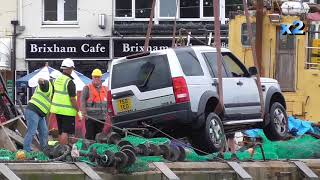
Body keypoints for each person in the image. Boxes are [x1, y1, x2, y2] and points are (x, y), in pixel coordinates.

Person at [50, 58, 79, 145]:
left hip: (57, 110)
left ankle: (61, 150)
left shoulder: (57, 80)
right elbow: (72, 99)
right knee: (66, 132)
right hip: (67, 111)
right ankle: (64, 150)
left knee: (61, 131)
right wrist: (78, 110)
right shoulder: (69, 82)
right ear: (70, 69)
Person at [23, 78, 53, 152]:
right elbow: (41, 81)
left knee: (44, 131)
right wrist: (41, 81)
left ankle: (44, 150)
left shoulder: (52, 91)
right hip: (33, 110)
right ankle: (27, 151)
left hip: (40, 114)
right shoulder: (48, 85)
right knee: (31, 131)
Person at [80, 68, 108, 140]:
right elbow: (82, 100)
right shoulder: (87, 88)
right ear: (92, 77)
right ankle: (89, 150)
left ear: (101, 78)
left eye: (98, 77)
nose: (96, 78)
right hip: (90, 118)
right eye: (95, 77)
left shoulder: (105, 89)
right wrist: (84, 113)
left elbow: (108, 102)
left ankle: (97, 150)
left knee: (99, 137)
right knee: (90, 136)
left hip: (101, 118)